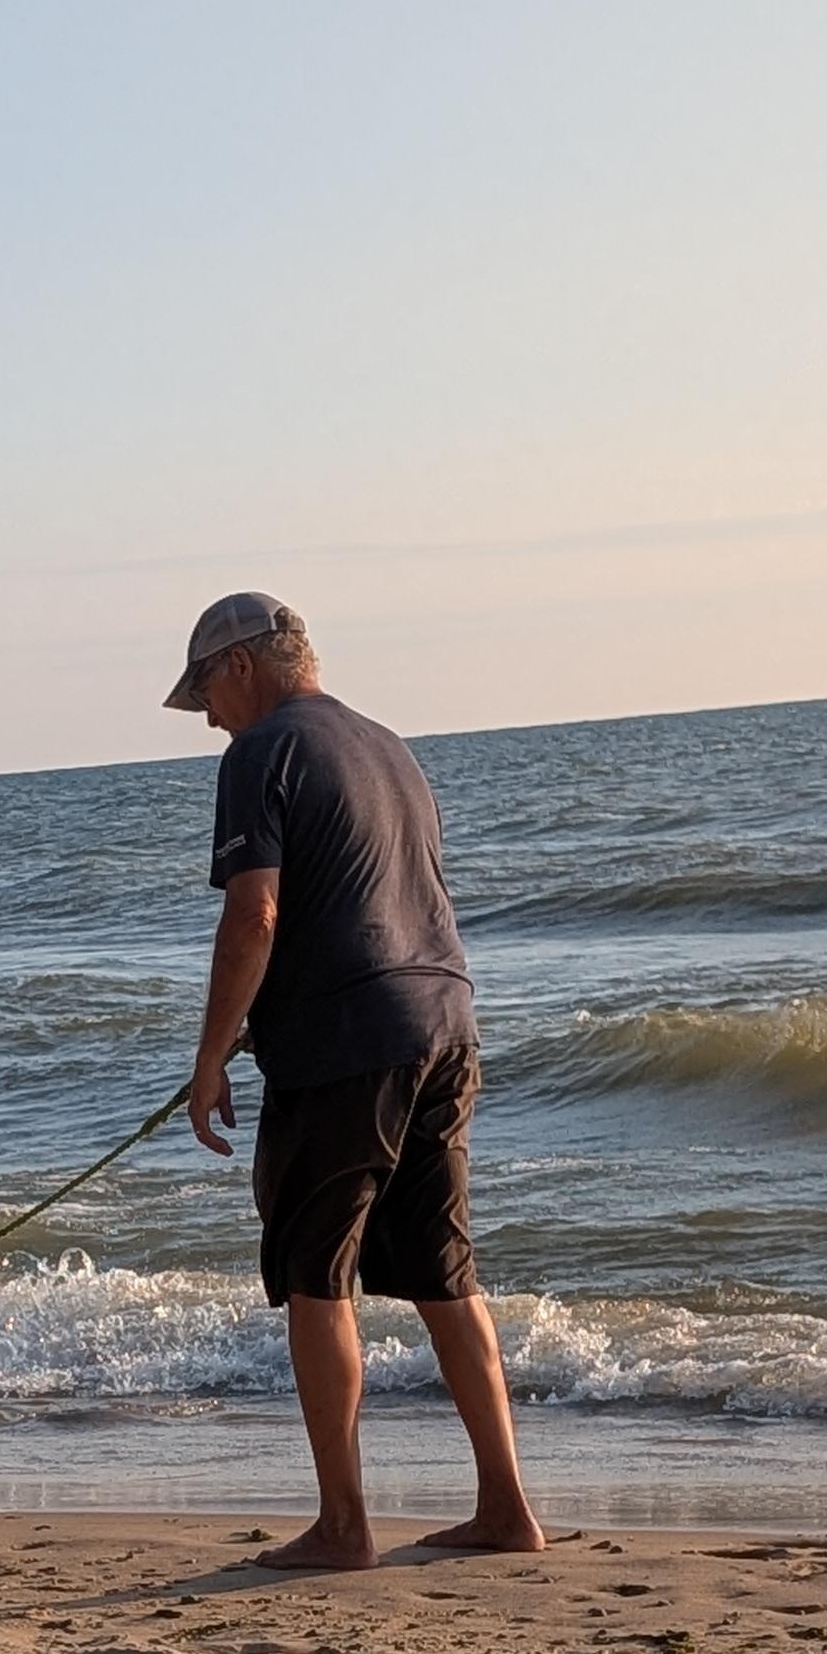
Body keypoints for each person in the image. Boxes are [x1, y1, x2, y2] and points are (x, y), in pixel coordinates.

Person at [172, 590, 543, 1571]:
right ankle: (506, 1507)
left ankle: (343, 1526)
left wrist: (208, 1058)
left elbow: (256, 915)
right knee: (441, 1273)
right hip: (445, 1026)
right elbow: (374, 903)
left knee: (313, 1273)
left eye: (205, 687)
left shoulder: (260, 754)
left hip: (349, 1051)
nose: (207, 712)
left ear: (243, 665)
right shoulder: (389, 748)